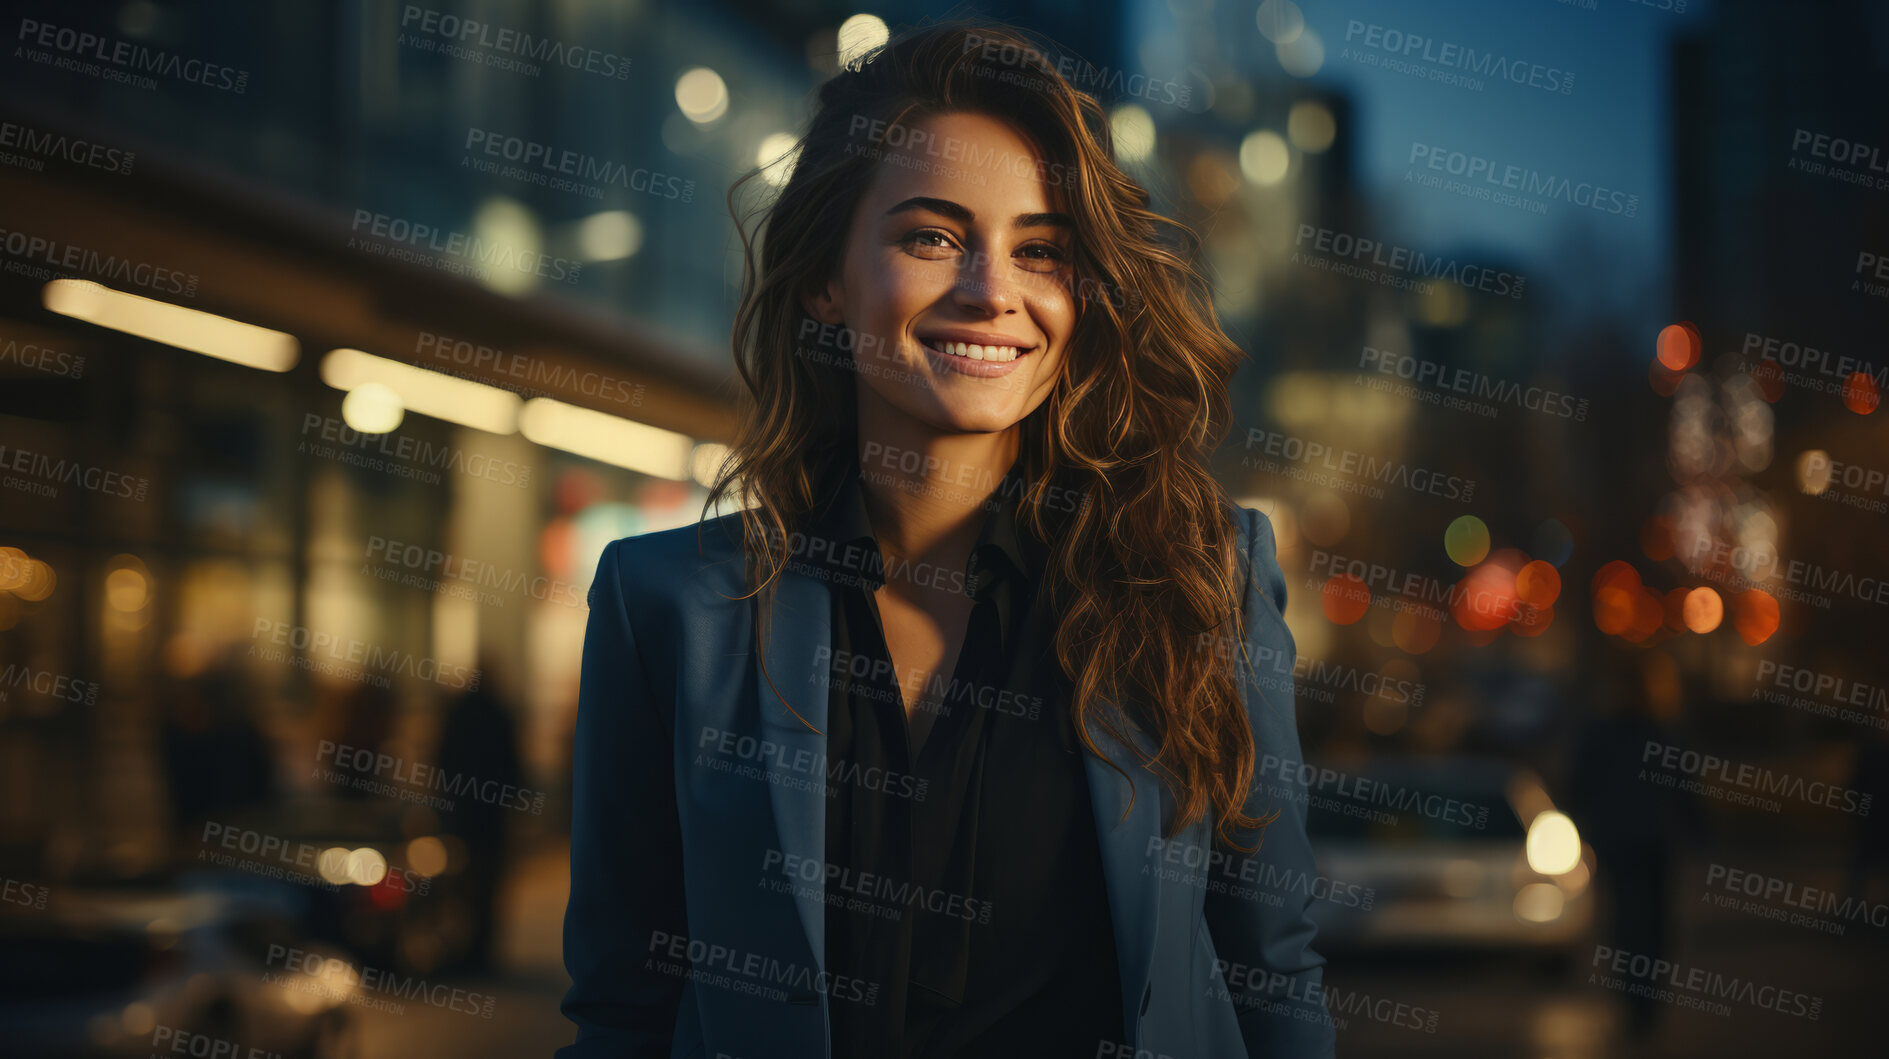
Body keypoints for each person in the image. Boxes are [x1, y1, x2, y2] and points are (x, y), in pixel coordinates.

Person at [559, 21, 1331, 1058]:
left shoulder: (1196, 581)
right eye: (929, 237)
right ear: (824, 283)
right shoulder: (663, 605)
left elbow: (1271, 974)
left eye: (1041, 251)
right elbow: (621, 1006)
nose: (990, 290)